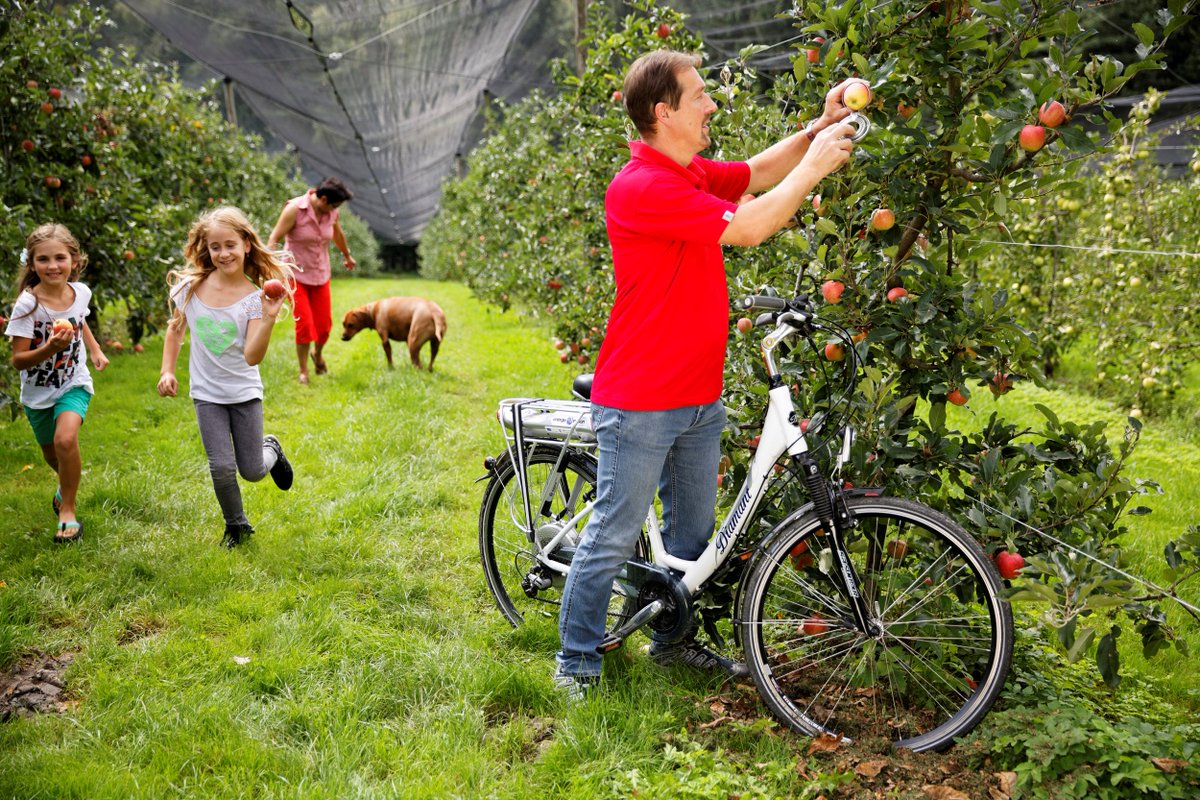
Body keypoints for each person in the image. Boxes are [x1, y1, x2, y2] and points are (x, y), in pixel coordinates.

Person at [555, 50, 859, 699]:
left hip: (698, 394)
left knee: (691, 535)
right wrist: (818, 164)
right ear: (664, 112)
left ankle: (672, 646)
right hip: (640, 399)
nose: (711, 104)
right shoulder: (643, 187)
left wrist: (815, 130)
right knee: (612, 535)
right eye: (699, 95)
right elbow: (749, 226)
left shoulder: (686, 171)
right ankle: (576, 661)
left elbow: (754, 174)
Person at [157, 207, 297, 548]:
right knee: (220, 466)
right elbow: (175, 331)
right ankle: (236, 525)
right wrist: (167, 370)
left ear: (247, 245)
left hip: (244, 392)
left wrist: (267, 317)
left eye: (230, 245)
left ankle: (271, 450)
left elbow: (252, 356)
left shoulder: (253, 298)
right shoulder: (190, 289)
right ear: (206, 248)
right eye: (215, 246)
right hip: (207, 394)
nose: (223, 253)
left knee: (251, 471)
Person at [5, 223, 109, 543]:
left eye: (60, 258)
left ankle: (68, 510)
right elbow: (18, 360)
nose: (52, 266)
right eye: (43, 259)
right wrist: (50, 348)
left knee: (66, 441)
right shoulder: (28, 305)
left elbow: (81, 319)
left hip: (73, 382)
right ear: (32, 263)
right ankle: (66, 486)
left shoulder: (81, 292)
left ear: (74, 261)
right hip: (38, 393)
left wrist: (94, 348)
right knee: (53, 455)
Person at [267, 177, 356, 385]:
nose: (335, 210)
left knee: (324, 326)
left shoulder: (331, 212)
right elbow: (274, 239)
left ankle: (317, 354)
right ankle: (303, 371)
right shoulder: (295, 209)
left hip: (320, 273)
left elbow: (337, 233)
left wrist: (347, 255)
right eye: (333, 205)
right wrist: (270, 267)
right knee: (305, 325)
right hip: (295, 275)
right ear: (323, 199)